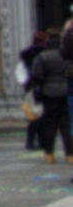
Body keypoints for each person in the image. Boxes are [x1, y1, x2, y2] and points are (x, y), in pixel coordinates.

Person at [31, 29, 73, 163]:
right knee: (67, 124)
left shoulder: (42, 56)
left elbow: (36, 75)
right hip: (66, 91)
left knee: (49, 124)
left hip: (48, 93)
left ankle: (49, 154)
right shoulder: (65, 55)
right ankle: (70, 155)